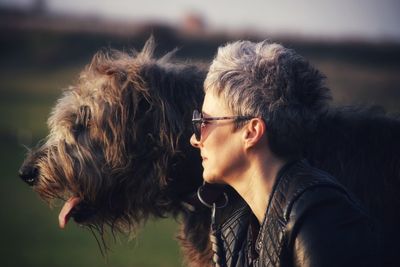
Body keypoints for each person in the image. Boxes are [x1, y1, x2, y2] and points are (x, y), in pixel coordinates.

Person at [190, 40, 380, 266]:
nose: (195, 139)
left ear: (251, 132)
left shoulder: (321, 219)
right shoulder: (235, 222)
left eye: (205, 121)